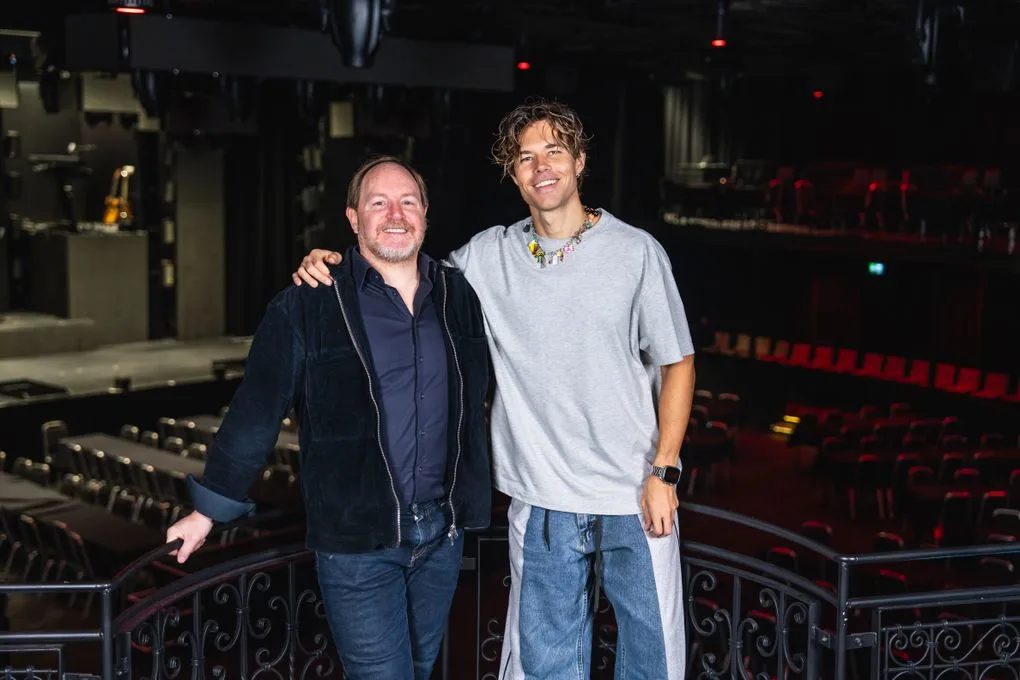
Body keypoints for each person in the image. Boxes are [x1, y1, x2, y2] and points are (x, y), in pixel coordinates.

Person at [292, 99, 696, 679]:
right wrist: (331, 261)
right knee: (545, 665)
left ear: (579, 162)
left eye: (554, 151)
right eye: (525, 158)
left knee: (653, 663)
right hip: (541, 498)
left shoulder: (635, 253)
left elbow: (677, 363)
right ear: (513, 174)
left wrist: (664, 471)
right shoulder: (486, 257)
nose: (541, 167)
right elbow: (402, 270)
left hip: (633, 494)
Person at [165, 156, 492, 680]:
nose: (395, 214)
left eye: (408, 202)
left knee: (420, 668)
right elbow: (256, 411)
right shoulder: (306, 304)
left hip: (441, 536)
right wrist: (208, 510)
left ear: (426, 214)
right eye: (377, 203)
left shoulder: (458, 297)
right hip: (357, 542)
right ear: (353, 217)